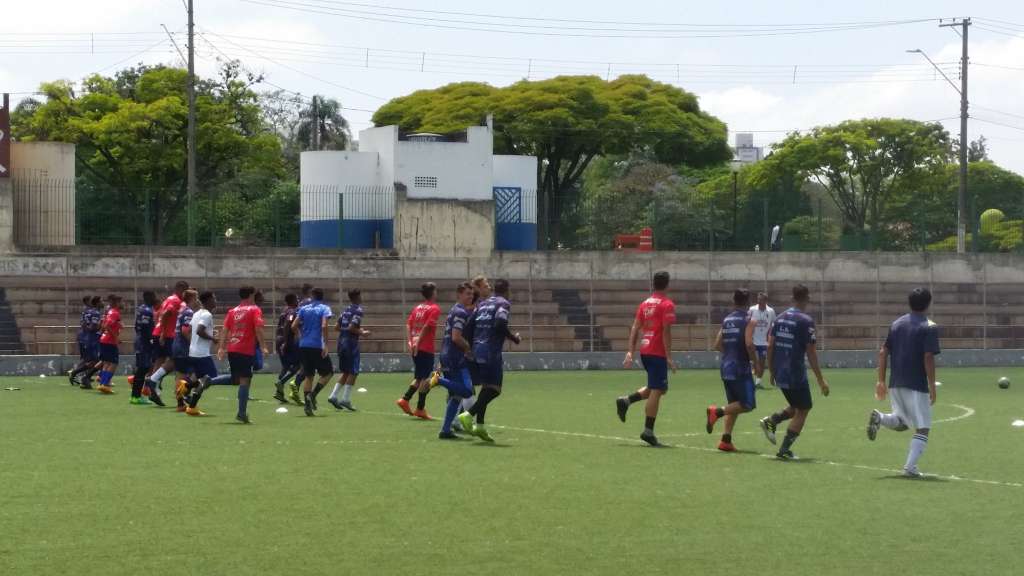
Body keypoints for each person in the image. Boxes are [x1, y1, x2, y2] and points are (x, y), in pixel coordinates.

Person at [866, 288, 941, 478]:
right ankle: (910, 467)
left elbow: (883, 352)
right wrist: (932, 385)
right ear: (928, 303)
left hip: (896, 382)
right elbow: (928, 357)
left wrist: (880, 381)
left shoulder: (896, 324)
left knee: (902, 423)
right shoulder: (929, 326)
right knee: (923, 427)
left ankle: (880, 418)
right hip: (916, 383)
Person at [760, 284, 830, 460]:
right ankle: (784, 451)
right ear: (807, 298)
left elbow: (770, 346)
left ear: (792, 297)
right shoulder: (806, 321)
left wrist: (772, 370)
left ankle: (772, 421)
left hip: (781, 372)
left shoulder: (780, 318)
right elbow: (811, 352)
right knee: (804, 409)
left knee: (795, 406)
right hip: (795, 373)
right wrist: (821, 380)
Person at [614, 271, 676, 447]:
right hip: (657, 352)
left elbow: (635, 328)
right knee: (657, 390)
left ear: (653, 284)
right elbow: (666, 331)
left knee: (658, 388)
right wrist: (669, 356)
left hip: (645, 350)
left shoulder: (645, 304)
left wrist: (630, 352)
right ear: (667, 284)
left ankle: (626, 401)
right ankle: (648, 431)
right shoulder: (667, 304)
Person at [456, 278, 521, 442]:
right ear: (507, 290)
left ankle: (480, 426)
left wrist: (470, 348)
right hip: (491, 351)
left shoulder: (483, 304)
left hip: (477, 350)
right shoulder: (503, 303)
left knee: (486, 388)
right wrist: (514, 338)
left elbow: (468, 327)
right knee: (495, 389)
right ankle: (469, 414)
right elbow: (500, 323)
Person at [706, 289, 759, 452]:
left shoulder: (726, 320)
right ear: (748, 302)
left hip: (726, 365)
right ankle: (716, 412)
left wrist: (730, 354)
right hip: (740, 367)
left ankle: (726, 440)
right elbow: (749, 344)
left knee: (733, 404)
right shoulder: (750, 319)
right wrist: (756, 363)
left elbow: (717, 345)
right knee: (747, 404)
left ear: (733, 301)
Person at [432, 282, 476, 439]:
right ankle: (438, 381)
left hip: (446, 355)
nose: (470, 297)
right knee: (466, 391)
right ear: (459, 295)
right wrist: (468, 349)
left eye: (471, 294)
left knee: (456, 396)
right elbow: (456, 337)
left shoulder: (453, 311)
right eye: (467, 294)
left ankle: (445, 430)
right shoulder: (460, 312)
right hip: (454, 357)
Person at [219, 286, 267, 424]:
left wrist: (222, 348)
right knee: (245, 380)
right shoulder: (254, 309)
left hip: (232, 348)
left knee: (236, 379)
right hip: (245, 349)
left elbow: (225, 329)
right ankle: (241, 413)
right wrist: (263, 346)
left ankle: (209, 381)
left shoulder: (232, 311)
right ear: (252, 294)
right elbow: (258, 328)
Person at [396, 282, 442, 420]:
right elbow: (427, 327)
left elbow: (408, 324)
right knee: (425, 378)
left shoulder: (418, 308)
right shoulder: (434, 308)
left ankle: (405, 400)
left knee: (419, 377)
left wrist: (411, 342)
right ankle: (420, 408)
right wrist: (419, 343)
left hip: (416, 346)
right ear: (433, 293)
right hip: (425, 347)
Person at [183, 291, 233, 416]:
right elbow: (200, 331)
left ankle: (185, 389)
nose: (215, 301)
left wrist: (206, 338)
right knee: (210, 379)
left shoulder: (196, 314)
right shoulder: (207, 315)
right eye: (214, 298)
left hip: (193, 352)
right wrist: (213, 339)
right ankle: (191, 405)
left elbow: (190, 330)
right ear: (208, 301)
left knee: (201, 379)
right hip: (201, 354)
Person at [145, 280, 190, 407]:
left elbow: (160, 314)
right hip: (167, 335)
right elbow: (165, 314)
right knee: (176, 361)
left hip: (159, 333)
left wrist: (159, 328)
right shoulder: (176, 300)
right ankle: (155, 384)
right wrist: (164, 332)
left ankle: (154, 390)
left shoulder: (168, 299)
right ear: (181, 288)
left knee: (160, 361)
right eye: (186, 290)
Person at [292, 287, 334, 417]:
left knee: (309, 375)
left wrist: (300, 336)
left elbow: (293, 326)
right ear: (322, 296)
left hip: (304, 345)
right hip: (317, 345)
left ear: (312, 296)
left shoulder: (304, 309)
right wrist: (326, 344)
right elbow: (324, 325)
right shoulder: (324, 308)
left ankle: (307, 405)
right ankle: (313, 395)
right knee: (328, 373)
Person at [329, 289, 369, 411]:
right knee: (353, 372)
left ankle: (333, 395)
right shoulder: (358, 310)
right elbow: (352, 328)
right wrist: (362, 332)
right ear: (357, 297)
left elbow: (336, 327)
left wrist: (351, 330)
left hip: (341, 342)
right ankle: (345, 399)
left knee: (346, 372)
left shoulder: (346, 310)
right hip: (351, 344)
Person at [287, 283, 316, 405]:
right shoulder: (311, 303)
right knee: (310, 366)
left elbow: (293, 322)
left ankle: (295, 390)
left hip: (300, 338)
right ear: (310, 291)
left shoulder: (300, 304)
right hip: (309, 338)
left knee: (304, 364)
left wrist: (298, 334)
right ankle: (296, 383)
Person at [171, 289, 199, 412]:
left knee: (180, 375)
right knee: (195, 374)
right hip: (183, 347)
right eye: (196, 297)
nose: (197, 300)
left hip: (176, 346)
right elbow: (185, 331)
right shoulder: (188, 312)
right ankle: (185, 395)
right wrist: (193, 344)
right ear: (192, 298)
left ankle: (180, 403)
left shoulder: (183, 311)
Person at [129, 291, 159, 405]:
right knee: (142, 369)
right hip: (144, 344)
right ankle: (135, 396)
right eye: (154, 296)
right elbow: (146, 328)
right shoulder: (147, 310)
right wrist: (152, 340)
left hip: (140, 341)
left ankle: (137, 394)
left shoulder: (141, 309)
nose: (155, 298)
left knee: (144, 368)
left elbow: (137, 327)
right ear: (150, 297)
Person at [273, 293, 301, 404]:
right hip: (287, 341)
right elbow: (287, 325)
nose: (298, 300)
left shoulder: (284, 311)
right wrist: (285, 341)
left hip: (279, 340)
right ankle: (282, 382)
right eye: (297, 298)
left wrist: (279, 341)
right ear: (293, 300)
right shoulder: (291, 312)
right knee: (298, 365)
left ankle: (278, 393)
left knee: (285, 366)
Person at [69, 296, 101, 388]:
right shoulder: (95, 313)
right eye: (101, 301)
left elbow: (83, 324)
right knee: (96, 361)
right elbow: (93, 327)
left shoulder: (86, 312)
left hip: (85, 337)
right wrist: (101, 326)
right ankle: (80, 375)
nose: (103, 302)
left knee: (91, 360)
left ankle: (81, 376)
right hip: (92, 339)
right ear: (97, 303)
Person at [95, 294, 123, 395]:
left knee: (106, 363)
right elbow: (107, 325)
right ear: (117, 303)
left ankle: (102, 384)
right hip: (109, 341)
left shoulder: (110, 312)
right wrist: (116, 337)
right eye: (120, 302)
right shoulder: (114, 313)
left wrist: (118, 326)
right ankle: (105, 383)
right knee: (113, 363)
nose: (122, 304)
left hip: (104, 339)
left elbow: (104, 325)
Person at [749, 292, 777, 389]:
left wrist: (770, 337)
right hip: (752, 340)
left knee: (761, 363)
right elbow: (747, 323)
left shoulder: (770, 311)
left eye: (761, 299)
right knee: (753, 362)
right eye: (758, 299)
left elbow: (774, 324)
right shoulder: (752, 309)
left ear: (766, 301)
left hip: (764, 342)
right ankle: (750, 378)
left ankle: (757, 383)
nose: (759, 301)